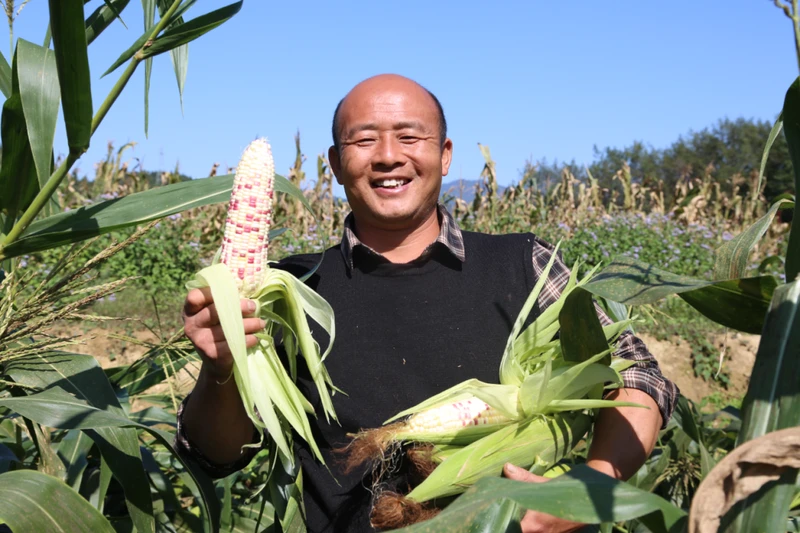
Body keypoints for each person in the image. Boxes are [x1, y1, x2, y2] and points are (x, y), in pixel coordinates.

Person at [177, 74, 678, 533]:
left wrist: (588, 489)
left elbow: (638, 377)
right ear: (334, 164)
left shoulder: (524, 264)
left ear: (445, 155)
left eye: (410, 137)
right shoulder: (286, 289)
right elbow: (217, 456)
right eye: (364, 140)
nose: (388, 156)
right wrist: (222, 368)